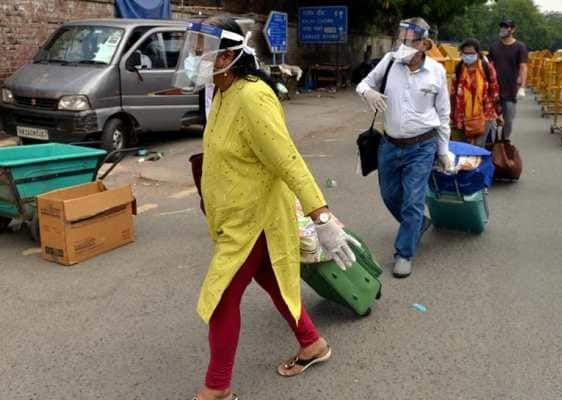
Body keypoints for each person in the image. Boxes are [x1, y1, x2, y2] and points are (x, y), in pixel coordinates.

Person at [172, 15, 361, 400]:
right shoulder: (222, 91)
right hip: (234, 217)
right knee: (272, 281)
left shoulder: (252, 96)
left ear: (226, 56)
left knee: (222, 297)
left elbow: (287, 159)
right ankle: (312, 343)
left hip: (254, 219)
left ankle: (216, 389)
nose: (195, 58)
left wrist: (320, 214)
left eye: (202, 52)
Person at [356, 17, 452, 278]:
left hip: (422, 145)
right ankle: (418, 224)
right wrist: (369, 94)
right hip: (389, 144)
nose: (404, 45)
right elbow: (362, 84)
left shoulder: (436, 72)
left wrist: (442, 151)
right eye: (402, 39)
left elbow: (443, 114)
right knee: (390, 195)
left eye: (410, 41)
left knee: (412, 201)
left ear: (423, 44)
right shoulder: (389, 62)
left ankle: (404, 253)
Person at [450, 38, 502, 148]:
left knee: (478, 147)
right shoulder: (459, 68)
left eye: (472, 53)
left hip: (484, 115)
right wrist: (451, 115)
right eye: (465, 53)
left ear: (478, 54)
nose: (468, 56)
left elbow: (494, 91)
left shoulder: (487, 68)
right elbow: (453, 93)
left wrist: (499, 113)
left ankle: (477, 165)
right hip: (462, 116)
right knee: (464, 148)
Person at [488, 19, 528, 140]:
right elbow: (488, 66)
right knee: (490, 119)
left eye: (506, 27)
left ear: (512, 29)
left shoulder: (520, 47)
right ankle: (492, 144)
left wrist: (522, 87)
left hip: (510, 90)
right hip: (494, 89)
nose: (503, 29)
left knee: (508, 120)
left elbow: (523, 66)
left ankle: (504, 142)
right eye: (502, 27)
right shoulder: (494, 47)